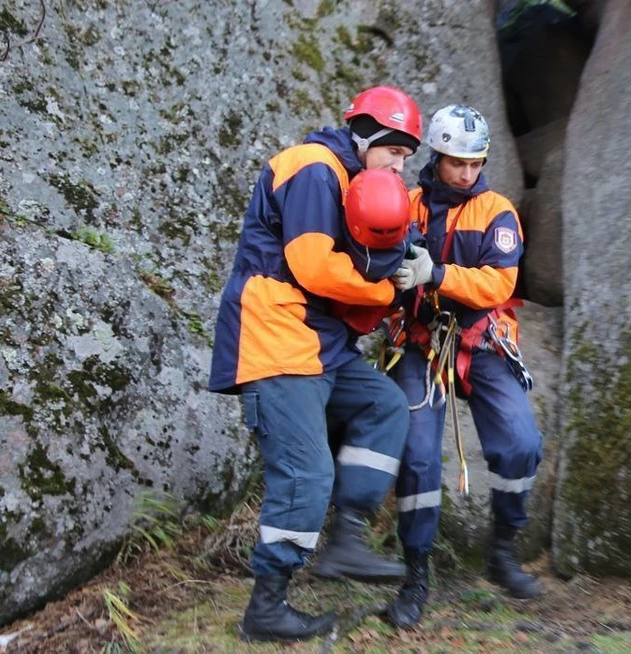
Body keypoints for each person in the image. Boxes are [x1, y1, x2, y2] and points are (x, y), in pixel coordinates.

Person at [207, 86, 422, 643]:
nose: (401, 164)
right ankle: (267, 606)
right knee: (306, 474)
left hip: (317, 342)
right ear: (367, 136)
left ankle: (347, 534)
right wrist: (385, 294)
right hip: (277, 335)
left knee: (385, 405)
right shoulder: (313, 166)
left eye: (407, 155)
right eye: (395, 151)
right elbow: (313, 267)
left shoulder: (356, 184)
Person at [384, 104, 544, 629]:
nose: (468, 173)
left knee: (521, 444)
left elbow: (499, 284)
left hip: (481, 340)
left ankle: (502, 549)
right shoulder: (406, 207)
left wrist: (439, 274)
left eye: (476, 164)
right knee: (419, 455)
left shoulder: (496, 211)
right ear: (437, 155)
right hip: (419, 343)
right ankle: (416, 575)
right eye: (457, 163)